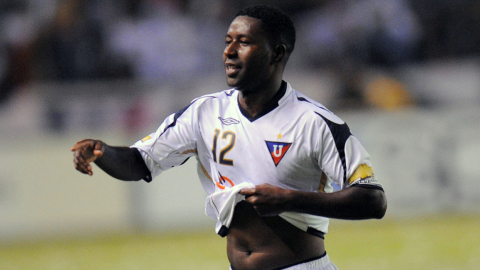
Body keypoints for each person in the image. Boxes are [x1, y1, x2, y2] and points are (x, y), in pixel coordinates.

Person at [72, 5, 387, 270]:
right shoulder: (203, 112)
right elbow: (141, 162)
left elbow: (372, 199)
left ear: (277, 53)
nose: (229, 52)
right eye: (227, 41)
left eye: (244, 42)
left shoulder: (314, 122)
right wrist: (103, 152)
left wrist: (289, 199)